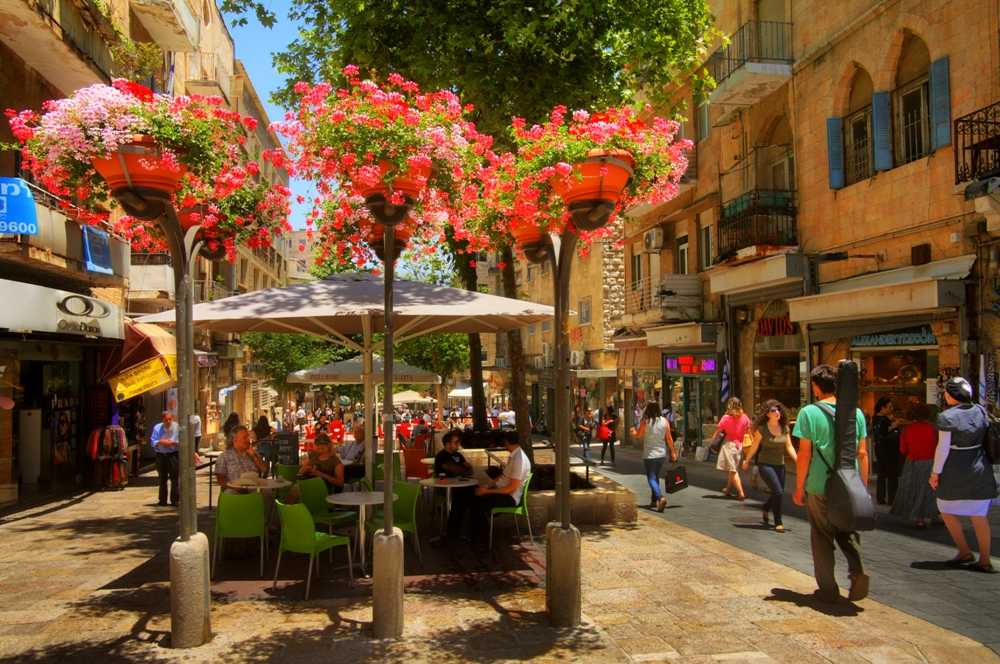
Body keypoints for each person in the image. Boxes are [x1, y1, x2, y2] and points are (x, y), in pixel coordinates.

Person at [793, 364, 870, 603]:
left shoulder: (808, 413)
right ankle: (858, 572)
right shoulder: (856, 413)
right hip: (849, 482)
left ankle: (827, 588)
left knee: (822, 536)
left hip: (819, 483)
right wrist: (862, 488)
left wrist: (799, 487)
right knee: (846, 531)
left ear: (815, 387)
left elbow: (804, 454)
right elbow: (863, 453)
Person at [930, 377, 997, 573]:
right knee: (979, 515)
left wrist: (935, 473)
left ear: (951, 395)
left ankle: (964, 550)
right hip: (979, 467)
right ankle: (985, 559)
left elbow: (942, 448)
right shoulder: (980, 410)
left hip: (954, 469)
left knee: (945, 509)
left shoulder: (946, 417)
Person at [468, 430, 531, 550]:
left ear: (506, 442)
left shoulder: (519, 460)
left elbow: (511, 488)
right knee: (474, 495)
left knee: (478, 504)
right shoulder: (514, 456)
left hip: (510, 498)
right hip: (502, 492)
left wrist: (487, 492)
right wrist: (487, 486)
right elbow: (503, 477)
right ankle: (476, 536)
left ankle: (482, 541)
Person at [742, 400, 797, 532]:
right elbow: (755, 446)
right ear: (767, 414)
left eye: (778, 409)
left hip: (780, 465)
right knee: (778, 491)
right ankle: (778, 522)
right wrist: (747, 460)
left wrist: (798, 460)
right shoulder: (762, 429)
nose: (777, 412)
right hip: (765, 464)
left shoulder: (785, 428)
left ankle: (766, 507)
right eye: (773, 410)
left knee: (778, 492)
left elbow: (789, 446)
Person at [891, 403, 939, 527]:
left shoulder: (907, 430)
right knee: (930, 490)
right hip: (930, 462)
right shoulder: (934, 429)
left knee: (914, 490)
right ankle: (934, 515)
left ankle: (919, 518)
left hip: (913, 463)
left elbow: (903, 450)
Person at [629, 402, 678, 512]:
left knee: (651, 478)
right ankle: (653, 499)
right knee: (655, 476)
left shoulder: (645, 421)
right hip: (661, 454)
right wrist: (673, 452)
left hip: (649, 455)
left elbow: (639, 435)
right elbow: (669, 438)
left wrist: (633, 432)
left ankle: (660, 497)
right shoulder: (664, 421)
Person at [713, 398, 751, 501]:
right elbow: (749, 431)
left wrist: (712, 442)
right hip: (739, 446)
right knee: (732, 469)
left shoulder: (726, 418)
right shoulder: (745, 418)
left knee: (733, 470)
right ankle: (728, 490)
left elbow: (718, 431)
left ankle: (741, 493)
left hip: (729, 445)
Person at [215, 425, 268, 494]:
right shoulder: (224, 456)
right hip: (234, 489)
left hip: (253, 488)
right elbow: (220, 479)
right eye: (245, 437)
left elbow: (264, 469)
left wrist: (254, 457)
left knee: (267, 493)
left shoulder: (252, 453)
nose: (248, 440)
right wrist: (234, 487)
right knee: (230, 493)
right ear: (235, 440)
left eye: (248, 437)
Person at [872, 397, 902, 505]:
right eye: (889, 407)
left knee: (882, 475)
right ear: (882, 408)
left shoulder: (877, 418)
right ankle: (892, 499)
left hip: (881, 451)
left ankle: (881, 498)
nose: (891, 409)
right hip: (888, 451)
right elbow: (883, 432)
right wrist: (894, 425)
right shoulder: (882, 419)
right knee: (891, 476)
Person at [150, 411, 179, 506]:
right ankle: (162, 500)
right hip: (161, 455)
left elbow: (179, 441)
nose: (168, 421)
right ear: (162, 419)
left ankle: (175, 500)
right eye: (166, 419)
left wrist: (167, 442)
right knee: (162, 478)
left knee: (174, 478)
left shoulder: (177, 427)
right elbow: (153, 442)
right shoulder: (157, 427)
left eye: (170, 419)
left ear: (173, 418)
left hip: (173, 455)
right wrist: (162, 442)